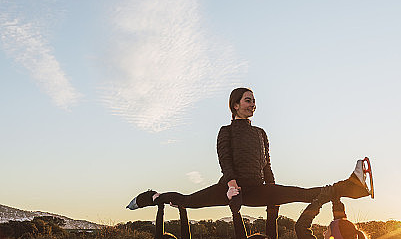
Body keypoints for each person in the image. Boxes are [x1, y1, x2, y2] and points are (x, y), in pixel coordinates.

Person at [127, 88, 372, 213]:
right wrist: (232, 183)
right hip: (231, 188)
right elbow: (225, 158)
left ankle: (352, 186)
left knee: (304, 193)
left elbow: (267, 166)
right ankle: (151, 197)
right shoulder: (227, 130)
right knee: (188, 202)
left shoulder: (261, 133)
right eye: (247, 100)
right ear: (235, 105)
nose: (252, 104)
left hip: (257, 189)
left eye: (254, 101)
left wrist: (273, 195)